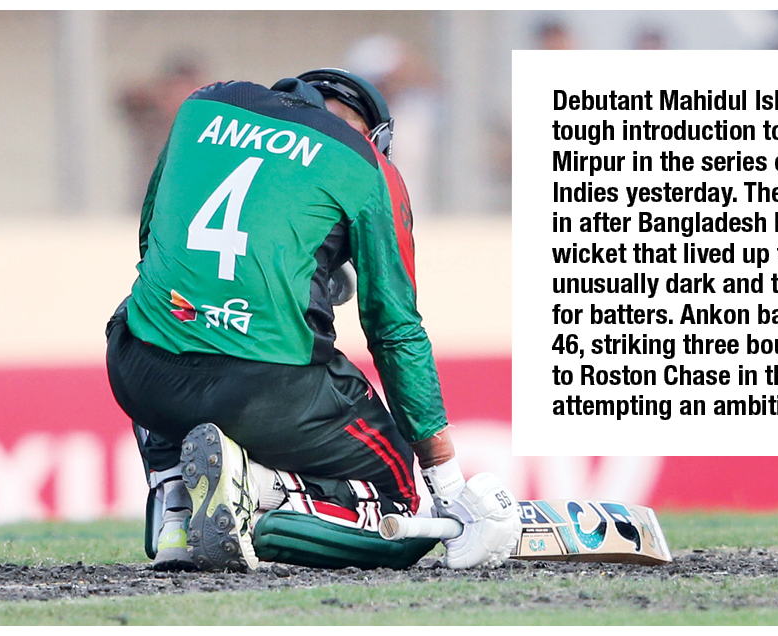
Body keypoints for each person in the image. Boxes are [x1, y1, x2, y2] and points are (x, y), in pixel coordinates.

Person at [105, 68, 521, 573]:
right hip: (265, 388)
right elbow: (394, 329)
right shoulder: (366, 163)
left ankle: (174, 505)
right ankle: (255, 496)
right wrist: (449, 485)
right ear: (370, 133)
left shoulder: (204, 104)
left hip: (139, 375)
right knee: (401, 507)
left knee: (141, 315)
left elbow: (153, 244)